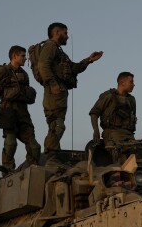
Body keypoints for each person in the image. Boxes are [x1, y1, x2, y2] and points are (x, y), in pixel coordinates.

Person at [37, 22, 103, 154]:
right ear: (57, 32)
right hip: (54, 93)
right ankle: (51, 154)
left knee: (56, 125)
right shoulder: (50, 46)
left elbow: (73, 68)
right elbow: (43, 65)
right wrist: (53, 84)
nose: (67, 36)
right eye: (65, 33)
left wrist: (89, 60)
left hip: (59, 93)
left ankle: (52, 152)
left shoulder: (59, 52)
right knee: (57, 125)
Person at [0, 45, 41, 174]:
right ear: (14, 56)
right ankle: (8, 169)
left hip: (23, 112)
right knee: (10, 143)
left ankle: (32, 169)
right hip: (8, 110)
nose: (25, 58)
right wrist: (0, 88)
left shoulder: (24, 74)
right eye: (23, 56)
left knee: (34, 146)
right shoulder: (3, 70)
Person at [90, 72, 137, 148]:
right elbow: (94, 113)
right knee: (119, 151)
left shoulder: (131, 100)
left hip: (129, 136)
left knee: (140, 151)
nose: (133, 85)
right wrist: (96, 131)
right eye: (131, 82)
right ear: (122, 83)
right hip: (112, 133)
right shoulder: (109, 96)